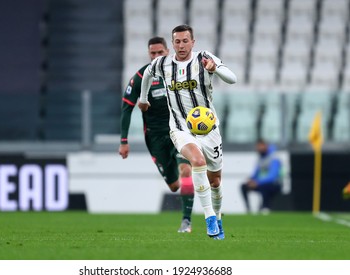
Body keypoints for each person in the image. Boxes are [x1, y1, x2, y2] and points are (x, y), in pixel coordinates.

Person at [138, 25, 237, 240]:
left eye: (185, 41)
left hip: (209, 129)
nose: (181, 45)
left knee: (215, 182)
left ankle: (218, 216)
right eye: (177, 41)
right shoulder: (163, 64)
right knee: (197, 162)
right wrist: (143, 99)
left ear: (193, 42)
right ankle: (209, 219)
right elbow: (146, 74)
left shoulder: (204, 58)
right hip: (180, 129)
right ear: (172, 44)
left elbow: (232, 78)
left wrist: (215, 69)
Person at [119, 36, 195, 233]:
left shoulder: (179, 73)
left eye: (159, 52)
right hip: (154, 138)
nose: (156, 56)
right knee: (173, 185)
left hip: (179, 131)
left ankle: (186, 221)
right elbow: (127, 108)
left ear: (167, 52)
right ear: (148, 54)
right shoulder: (141, 76)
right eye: (152, 53)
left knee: (186, 171)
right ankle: (182, 186)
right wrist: (124, 141)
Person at [240, 139, 282, 214]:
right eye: (257, 147)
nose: (258, 148)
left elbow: (273, 176)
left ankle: (265, 208)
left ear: (266, 146)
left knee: (265, 187)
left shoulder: (274, 157)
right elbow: (256, 173)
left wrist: (258, 182)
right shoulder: (260, 158)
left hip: (275, 184)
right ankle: (248, 210)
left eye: (260, 146)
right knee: (244, 186)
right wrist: (251, 180)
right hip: (260, 183)